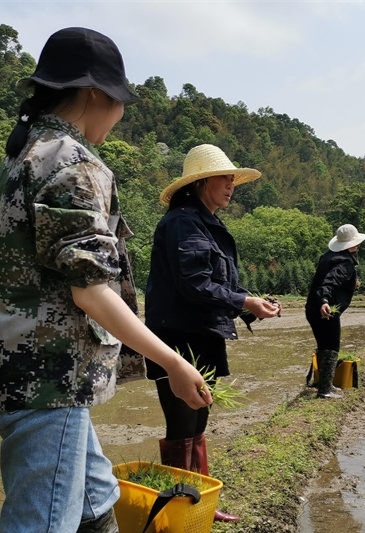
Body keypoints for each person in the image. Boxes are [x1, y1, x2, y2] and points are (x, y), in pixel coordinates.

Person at [0, 27, 211, 533]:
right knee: (43, 520)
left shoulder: (24, 153)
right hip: (48, 378)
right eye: (119, 102)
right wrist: (171, 362)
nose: (121, 115)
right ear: (93, 94)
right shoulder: (73, 164)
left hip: (18, 372)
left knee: (94, 495)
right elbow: (91, 290)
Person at [144, 143, 281, 523]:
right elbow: (194, 284)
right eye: (224, 176)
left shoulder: (206, 223)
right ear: (201, 181)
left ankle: (198, 500)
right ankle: (178, 508)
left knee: (199, 417)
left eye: (233, 178)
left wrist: (250, 305)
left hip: (202, 333)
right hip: (178, 338)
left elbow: (214, 288)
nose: (231, 183)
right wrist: (245, 301)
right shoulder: (182, 223)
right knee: (182, 421)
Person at [305, 224, 365, 399]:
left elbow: (325, 280)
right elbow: (329, 282)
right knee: (331, 347)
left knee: (323, 345)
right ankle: (325, 390)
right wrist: (325, 301)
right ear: (352, 245)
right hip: (326, 311)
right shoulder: (345, 263)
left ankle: (322, 383)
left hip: (312, 307)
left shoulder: (328, 257)